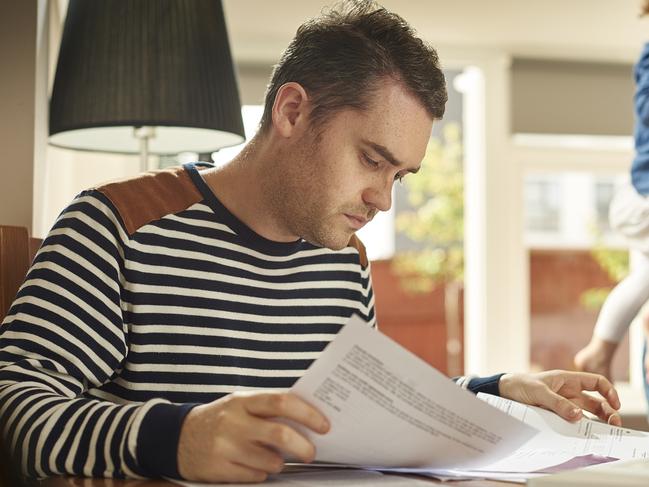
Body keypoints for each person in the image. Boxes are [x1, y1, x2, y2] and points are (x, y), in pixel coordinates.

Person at [0, 1, 621, 484]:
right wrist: (177, 438)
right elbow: (14, 408)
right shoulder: (116, 226)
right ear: (292, 112)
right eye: (371, 159)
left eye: (398, 175)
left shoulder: (343, 262)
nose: (382, 198)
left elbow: (360, 421)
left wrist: (495, 391)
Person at [574, 2, 649, 409]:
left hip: (638, 197)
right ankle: (600, 349)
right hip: (643, 196)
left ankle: (601, 349)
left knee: (644, 277)